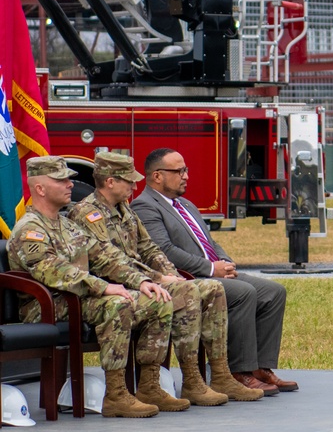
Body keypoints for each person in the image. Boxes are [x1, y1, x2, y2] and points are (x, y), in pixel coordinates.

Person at [68, 152, 247, 405]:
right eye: (128, 181)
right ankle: (151, 385)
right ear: (110, 182)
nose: (134, 186)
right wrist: (156, 278)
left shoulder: (125, 210)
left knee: (211, 289)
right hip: (113, 287)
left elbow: (150, 248)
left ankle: (211, 376)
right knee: (173, 295)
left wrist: (172, 276)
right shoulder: (88, 214)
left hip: (140, 281)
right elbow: (107, 260)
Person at [6, 156, 173, 418]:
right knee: (116, 304)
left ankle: (149, 385)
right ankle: (116, 395)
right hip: (47, 305)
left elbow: (105, 257)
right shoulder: (30, 230)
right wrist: (104, 288)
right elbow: (56, 272)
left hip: (79, 300)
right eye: (61, 180)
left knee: (158, 301)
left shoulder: (68, 225)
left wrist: (142, 281)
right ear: (40, 189)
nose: (70, 184)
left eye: (68, 179)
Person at [131, 148, 295, 396]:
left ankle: (261, 367)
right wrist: (210, 268)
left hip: (213, 272)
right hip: (186, 278)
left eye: (185, 170)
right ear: (157, 176)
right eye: (179, 171)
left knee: (274, 291)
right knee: (243, 292)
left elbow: (208, 240)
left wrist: (225, 261)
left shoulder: (184, 204)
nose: (186, 176)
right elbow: (164, 251)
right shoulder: (145, 206)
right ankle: (238, 372)